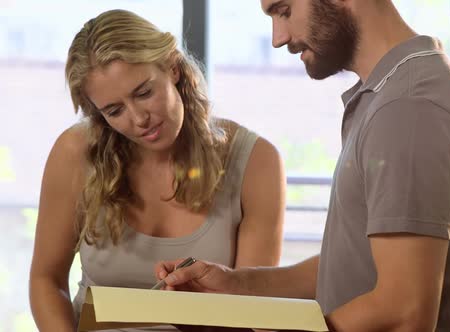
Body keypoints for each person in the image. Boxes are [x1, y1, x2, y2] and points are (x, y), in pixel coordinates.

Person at [156, 0, 450, 331]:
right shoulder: (392, 96)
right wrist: (235, 284)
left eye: (284, 10)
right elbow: (358, 268)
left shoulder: (407, 108)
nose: (278, 38)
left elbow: (403, 311)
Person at [28, 9, 286, 332]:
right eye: (114, 110)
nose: (138, 119)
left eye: (144, 93)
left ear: (173, 67)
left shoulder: (256, 162)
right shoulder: (74, 154)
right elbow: (46, 281)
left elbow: (250, 311)